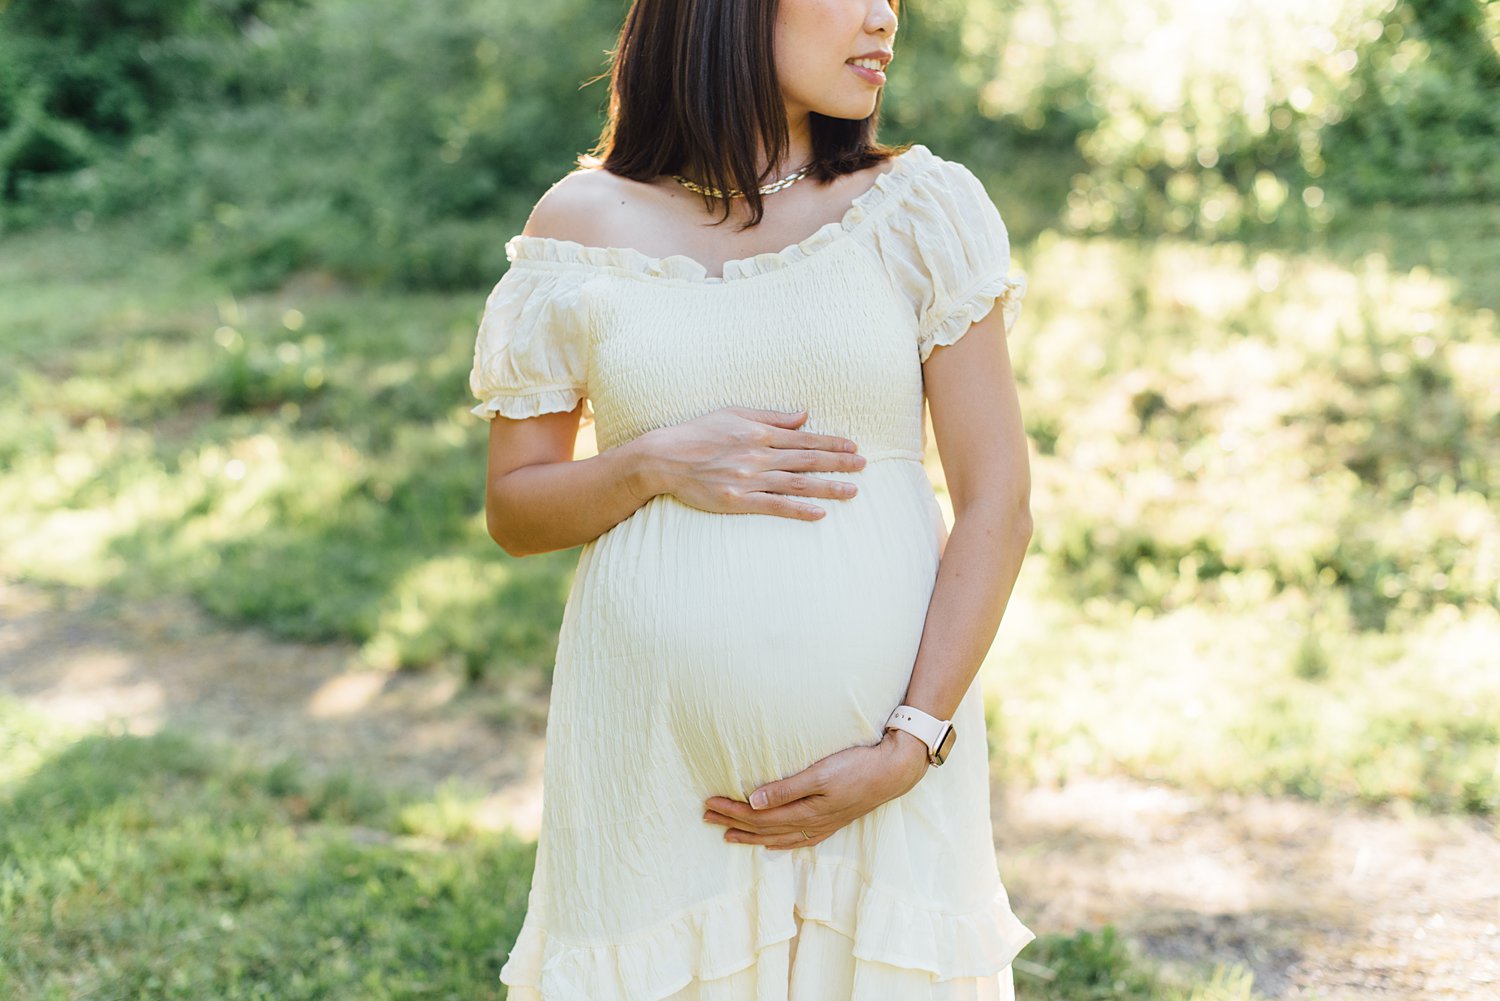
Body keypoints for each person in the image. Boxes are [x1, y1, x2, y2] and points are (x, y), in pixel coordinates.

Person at [467, 0, 1036, 996]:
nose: (883, 16)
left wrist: (912, 741)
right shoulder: (582, 226)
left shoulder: (917, 208)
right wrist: (648, 463)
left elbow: (998, 500)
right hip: (653, 782)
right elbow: (517, 510)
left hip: (882, 776)